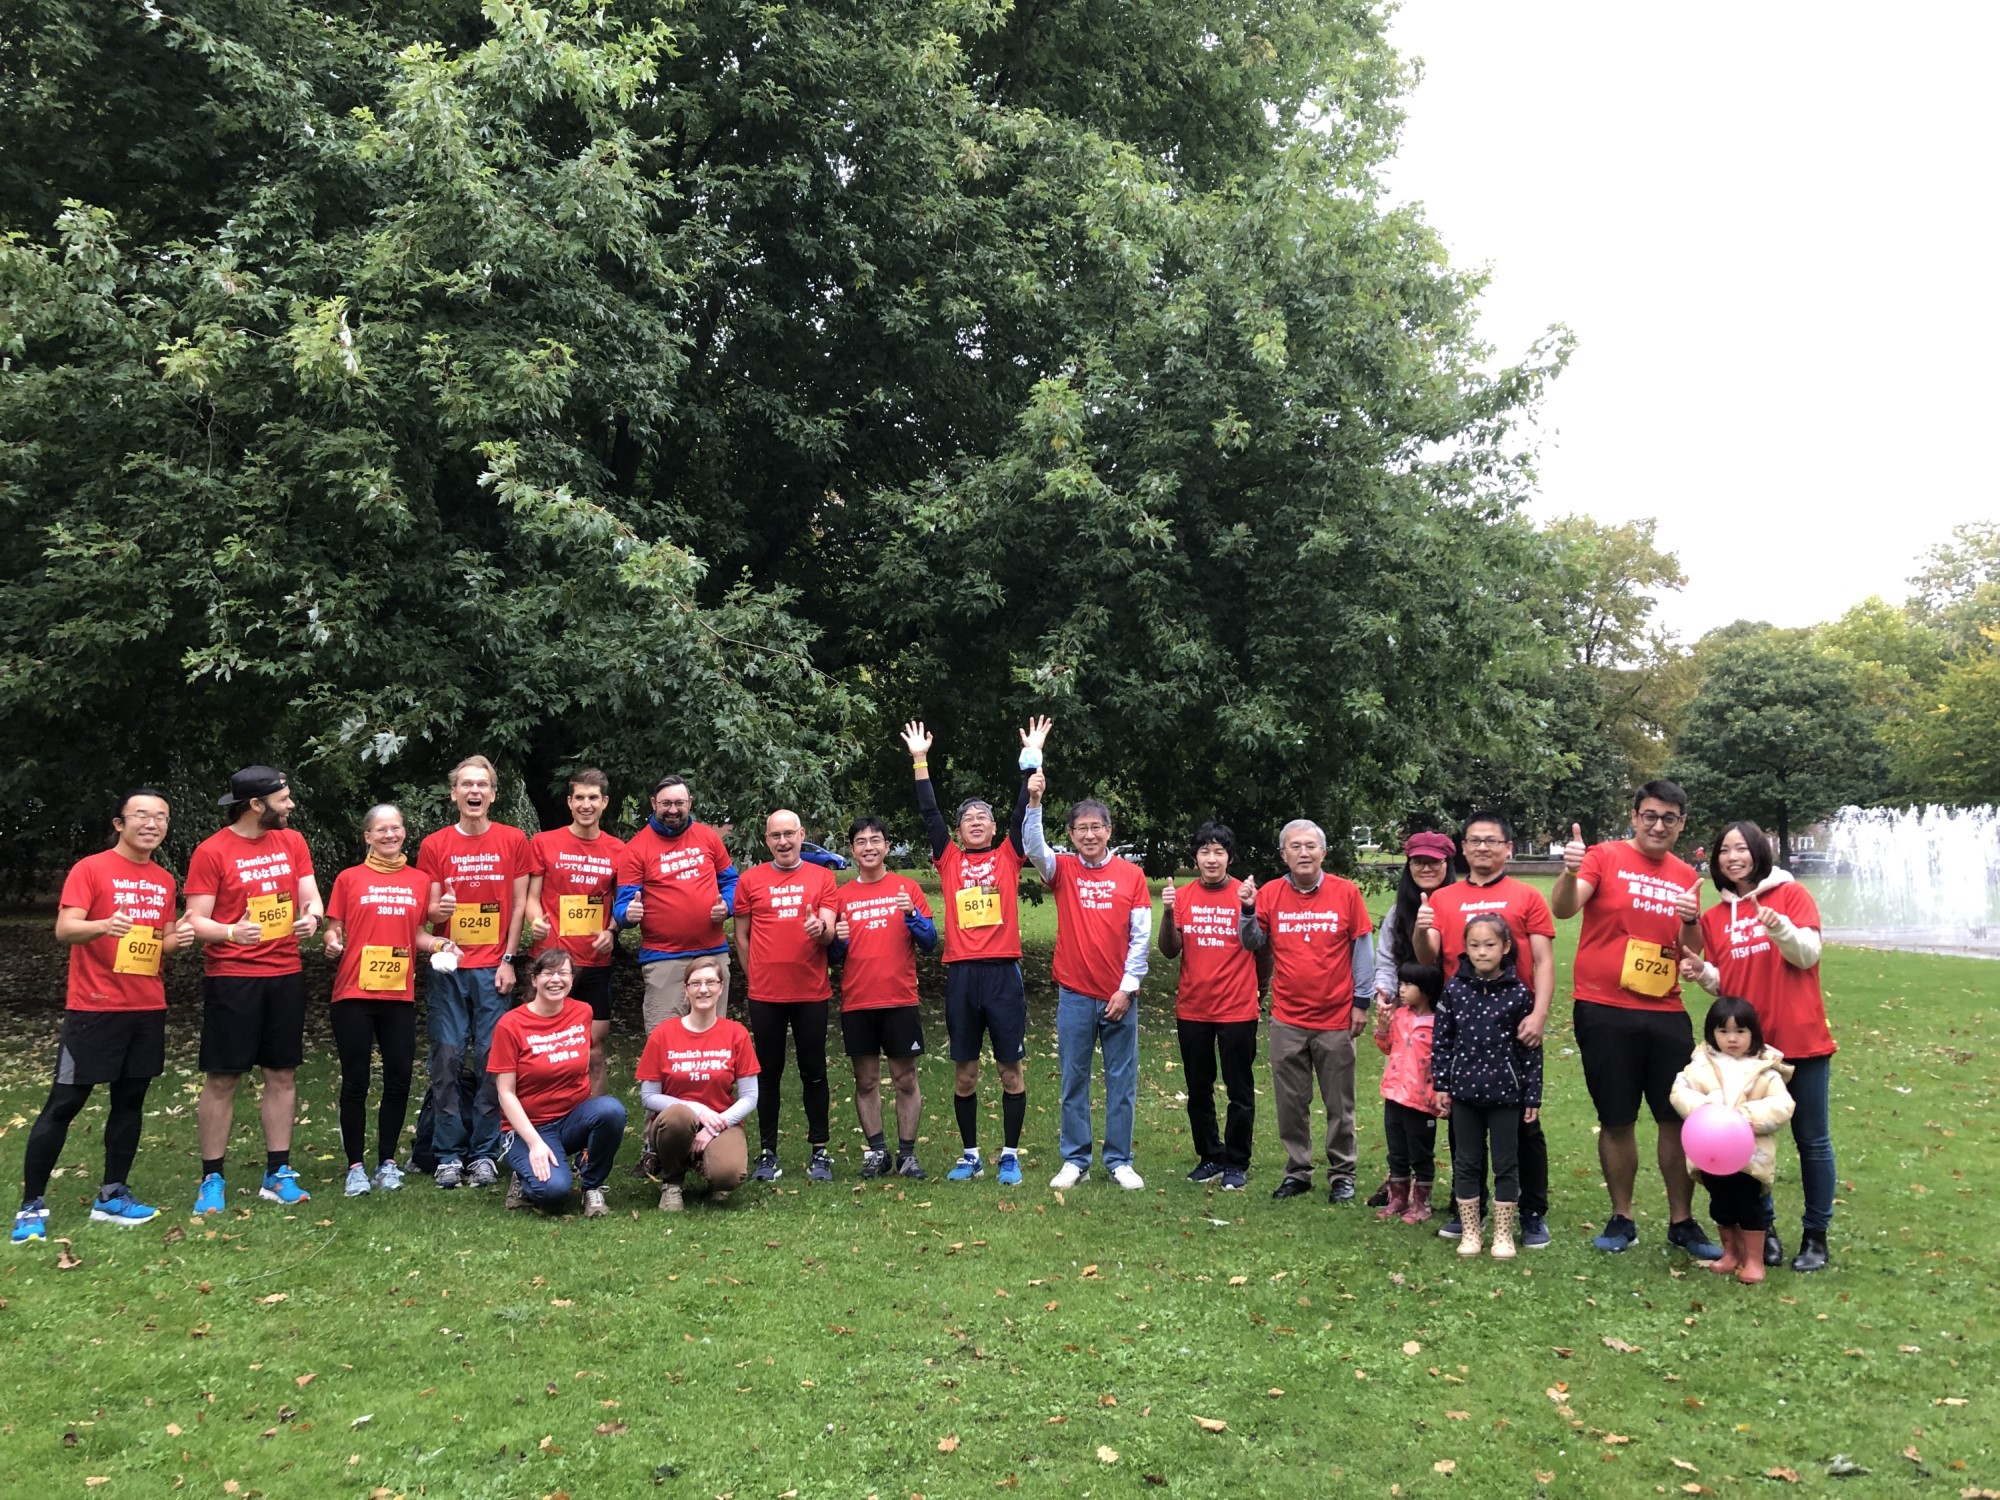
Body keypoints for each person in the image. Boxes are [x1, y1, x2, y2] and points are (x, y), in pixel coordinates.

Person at [14, 791, 195, 1242]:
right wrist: (102, 925)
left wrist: (183, 937)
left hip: (147, 1006)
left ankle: (112, 1195)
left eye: (162, 818)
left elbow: (163, 940)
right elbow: (65, 928)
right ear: (119, 823)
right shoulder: (90, 869)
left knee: (130, 1102)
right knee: (65, 1104)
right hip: (94, 1007)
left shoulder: (163, 879)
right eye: (142, 816)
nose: (152, 824)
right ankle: (31, 1206)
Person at [1550, 781, 1720, 1258]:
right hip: (1603, 1008)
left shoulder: (1687, 874)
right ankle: (1622, 1216)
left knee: (1675, 1117)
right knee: (1617, 1117)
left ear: (1682, 823)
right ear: (1635, 815)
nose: (1658, 824)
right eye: (1650, 815)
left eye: (1669, 817)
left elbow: (1695, 952)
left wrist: (1691, 920)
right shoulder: (1603, 857)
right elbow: (1563, 910)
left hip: (1666, 1011)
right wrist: (1568, 873)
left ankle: (1682, 1222)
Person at [1683, 820, 1836, 1272]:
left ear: (1758, 852)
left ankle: (1816, 1235)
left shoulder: (1791, 896)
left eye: (1741, 848)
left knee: (1813, 1142)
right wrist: (1703, 973)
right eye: (1725, 851)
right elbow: (1727, 981)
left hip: (1800, 1040)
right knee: (1746, 1145)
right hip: (1745, 1055)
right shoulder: (1713, 918)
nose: (1733, 857)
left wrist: (1780, 928)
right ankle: (1760, 1230)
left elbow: (1807, 954)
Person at [902, 717, 1039, 1185]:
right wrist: (920, 759)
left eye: (983, 817)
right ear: (959, 831)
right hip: (961, 975)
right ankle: (971, 1154)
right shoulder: (949, 859)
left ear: (994, 827)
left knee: (1010, 1070)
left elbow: (1024, 811)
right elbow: (928, 812)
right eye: (968, 819)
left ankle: (1010, 1155)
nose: (975, 822)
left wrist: (1031, 760)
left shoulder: (1007, 855)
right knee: (965, 1073)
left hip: (1003, 974)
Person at [183, 766, 325, 1212]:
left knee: (281, 1073)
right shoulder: (212, 851)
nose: (291, 805)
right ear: (256, 805)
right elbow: (195, 920)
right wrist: (229, 933)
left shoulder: (293, 842)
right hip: (233, 978)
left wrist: (313, 919)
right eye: (284, 799)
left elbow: (311, 897)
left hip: (285, 973)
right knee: (223, 1077)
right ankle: (212, 1178)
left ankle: (277, 1171)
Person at [1416, 812, 1558, 1248]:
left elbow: (1545, 960)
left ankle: (1531, 1211)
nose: (1482, 848)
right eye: (1474, 840)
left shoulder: (1528, 896)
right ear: (1463, 846)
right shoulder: (1443, 898)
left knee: (1523, 1129)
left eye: (1492, 841)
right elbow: (1428, 958)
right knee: (1464, 1125)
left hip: (1512, 1025)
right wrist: (1422, 929)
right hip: (1464, 1025)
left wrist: (1538, 1015)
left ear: (1508, 847)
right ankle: (1468, 1211)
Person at [1023, 778, 1153, 1190]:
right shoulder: (1062, 869)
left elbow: (1141, 937)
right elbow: (1033, 847)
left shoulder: (1132, 876)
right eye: (1081, 828)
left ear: (1109, 831)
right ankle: (1075, 1159)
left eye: (1097, 827)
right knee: (1073, 1079)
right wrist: (1035, 801)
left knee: (1121, 1081)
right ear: (1072, 835)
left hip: (1119, 996)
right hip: (1075, 993)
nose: (1089, 834)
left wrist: (1127, 988)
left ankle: (1119, 1160)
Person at [323, 805, 455, 1197]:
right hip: (352, 995)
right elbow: (333, 930)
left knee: (398, 1080)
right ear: (367, 837)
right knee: (356, 1082)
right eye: (380, 830)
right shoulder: (349, 879)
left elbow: (415, 932)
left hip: (398, 995)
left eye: (395, 829)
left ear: (403, 833)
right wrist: (332, 943)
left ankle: (387, 1162)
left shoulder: (419, 879)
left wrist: (439, 942)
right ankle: (355, 1166)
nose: (389, 835)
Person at [1241, 819, 1376, 1202]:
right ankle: (1298, 1171)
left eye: (1310, 846)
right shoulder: (1269, 893)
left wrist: (1361, 1003)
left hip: (1335, 1016)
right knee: (1291, 1102)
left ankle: (1342, 1173)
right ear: (1283, 854)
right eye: (1295, 846)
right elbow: (1252, 942)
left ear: (1323, 852)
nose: (1303, 852)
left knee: (1340, 1103)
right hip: (1288, 1017)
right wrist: (1248, 909)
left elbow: (1362, 951)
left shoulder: (1346, 893)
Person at [416, 755, 532, 1190]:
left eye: (482, 785)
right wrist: (438, 910)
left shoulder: (513, 840)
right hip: (450, 967)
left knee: (490, 1061)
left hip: (493, 970)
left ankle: (484, 1152)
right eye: (466, 785)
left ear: (493, 794)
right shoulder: (434, 845)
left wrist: (510, 959)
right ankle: (447, 1153)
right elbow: (428, 912)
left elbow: (519, 905)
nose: (474, 792)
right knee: (446, 1060)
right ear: (454, 794)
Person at [733, 809, 840, 1182]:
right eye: (775, 835)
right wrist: (755, 975)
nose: (783, 841)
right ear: (767, 840)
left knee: (814, 1071)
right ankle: (767, 1152)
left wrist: (819, 929)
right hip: (766, 994)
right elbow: (741, 936)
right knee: (768, 1074)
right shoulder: (750, 880)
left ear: (801, 835)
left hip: (810, 991)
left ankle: (820, 1151)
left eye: (789, 834)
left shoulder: (823, 877)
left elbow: (829, 931)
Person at [830, 815, 938, 1179]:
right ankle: (877, 1151)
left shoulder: (906, 889)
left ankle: (907, 1153)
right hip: (858, 1001)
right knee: (866, 1081)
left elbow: (929, 942)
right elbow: (829, 956)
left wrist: (911, 916)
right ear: (852, 850)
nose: (869, 847)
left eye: (876, 840)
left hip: (899, 999)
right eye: (861, 841)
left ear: (887, 847)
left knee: (905, 1078)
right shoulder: (840, 897)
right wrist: (837, 941)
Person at [1432, 915, 1542, 1258]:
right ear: (1464, 948)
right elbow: (1442, 1041)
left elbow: (1531, 1050)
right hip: (1464, 1094)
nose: (1481, 952)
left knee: (1506, 1163)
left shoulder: (1520, 994)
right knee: (1467, 1161)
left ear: (1506, 947)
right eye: (1474, 945)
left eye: (1490, 945)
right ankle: (1470, 1230)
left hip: (1505, 1097)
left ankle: (1504, 1233)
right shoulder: (1454, 989)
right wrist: (1441, 1084)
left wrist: (1531, 1093)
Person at [1158, 822, 1260, 1191]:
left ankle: (1236, 1161)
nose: (1212, 859)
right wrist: (1168, 913)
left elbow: (1258, 948)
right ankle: (1210, 1155)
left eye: (1219, 852)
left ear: (1229, 857)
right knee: (1198, 1089)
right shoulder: (1183, 896)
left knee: (1239, 1090)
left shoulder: (1245, 894)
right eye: (1205, 851)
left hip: (1237, 1009)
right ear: (1195, 857)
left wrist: (1257, 990)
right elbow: (1169, 950)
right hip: (1193, 1009)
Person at [1669, 996, 1796, 1285]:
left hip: (1751, 1156)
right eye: (1723, 1031)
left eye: (1740, 1031)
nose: (1732, 1039)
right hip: (1711, 1153)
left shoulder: (1765, 1069)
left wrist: (1747, 1117)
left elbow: (1782, 1105)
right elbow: (1679, 1092)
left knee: (1750, 1205)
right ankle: (1731, 1253)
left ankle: (1753, 1259)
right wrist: (1705, 1110)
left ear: (1753, 1033)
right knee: (1721, 1204)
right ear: (1712, 1033)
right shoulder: (1700, 1064)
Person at [491, 950, 626, 1216]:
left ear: (572, 980)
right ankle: (522, 1174)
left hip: (570, 1120)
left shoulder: (583, 1012)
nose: (556, 980)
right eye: (548, 973)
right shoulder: (510, 1024)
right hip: (526, 1127)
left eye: (563, 973)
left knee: (611, 1111)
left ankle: (592, 1187)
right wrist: (535, 1143)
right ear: (534, 979)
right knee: (552, 1192)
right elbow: (505, 1093)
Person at [1366, 830, 1457, 1208]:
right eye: (1418, 861)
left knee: (1454, 1104)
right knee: (1404, 1106)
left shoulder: (1457, 902)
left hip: (1454, 1014)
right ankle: (1398, 1182)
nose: (1426, 867)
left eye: (1434, 861)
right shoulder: (1397, 913)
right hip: (1411, 1016)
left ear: (1447, 864)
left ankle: (1463, 1191)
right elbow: (1386, 960)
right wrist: (1385, 996)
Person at [524, 769, 626, 1095]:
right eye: (579, 797)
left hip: (594, 962)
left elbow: (621, 904)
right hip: (551, 960)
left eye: (593, 798)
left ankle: (592, 1131)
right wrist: (535, 920)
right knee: (544, 1046)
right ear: (569, 802)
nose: (586, 804)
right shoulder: (543, 842)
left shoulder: (618, 850)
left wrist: (612, 931)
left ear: (604, 802)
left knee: (593, 1049)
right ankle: (544, 1117)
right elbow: (530, 897)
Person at [612, 775, 738, 1036]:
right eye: (665, 803)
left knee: (714, 1038)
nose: (672, 809)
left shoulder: (708, 837)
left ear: (689, 803)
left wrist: (727, 905)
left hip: (712, 953)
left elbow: (732, 882)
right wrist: (627, 914)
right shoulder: (636, 848)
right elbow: (623, 904)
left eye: (679, 802)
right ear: (653, 803)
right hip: (664, 958)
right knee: (665, 1040)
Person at [636, 957, 759, 1210]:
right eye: (696, 983)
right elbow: (648, 1095)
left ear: (721, 987)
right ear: (686, 990)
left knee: (729, 1174)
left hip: (720, 1121)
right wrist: (697, 1109)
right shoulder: (663, 1034)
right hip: (673, 1123)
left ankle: (708, 1166)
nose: (703, 989)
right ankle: (672, 1183)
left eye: (710, 982)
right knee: (679, 1116)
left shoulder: (736, 1033)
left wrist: (715, 1126)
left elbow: (750, 1096)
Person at [1374, 962, 1443, 1225]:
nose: (1401, 990)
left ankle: (1422, 1203)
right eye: (1400, 983)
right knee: (1397, 1151)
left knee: (1420, 1152)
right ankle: (1397, 1198)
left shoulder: (1438, 1023)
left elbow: (1442, 1061)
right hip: (1394, 1095)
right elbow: (1385, 1046)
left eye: (1407, 985)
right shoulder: (1400, 1015)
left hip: (1421, 1100)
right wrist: (1382, 1026)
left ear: (1425, 990)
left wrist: (1441, 1092)